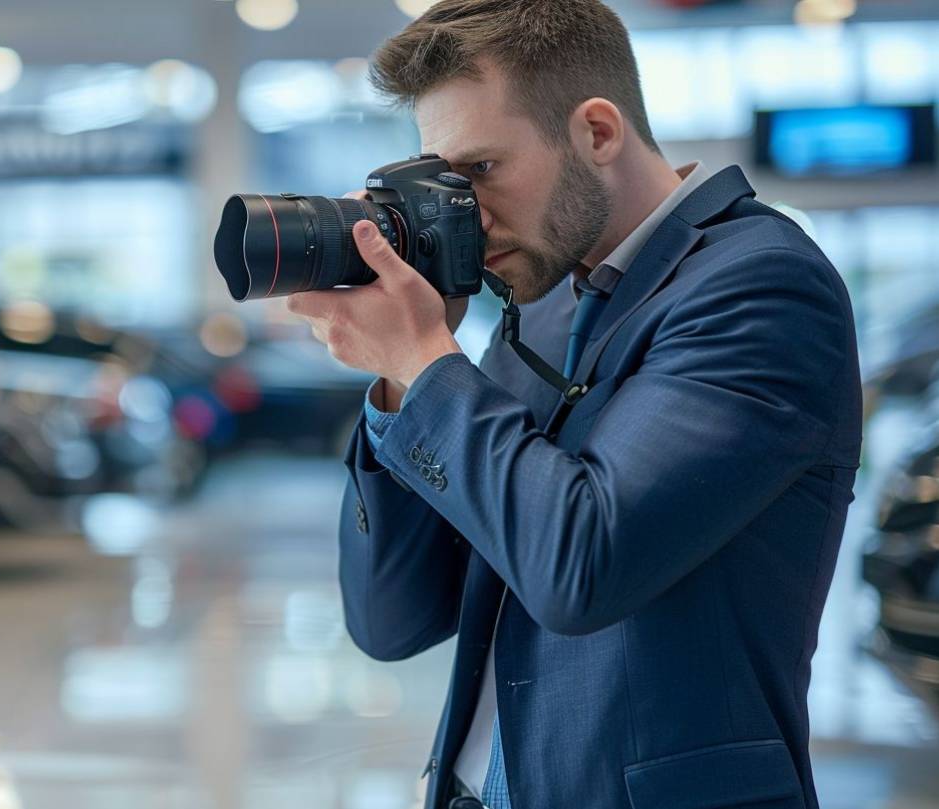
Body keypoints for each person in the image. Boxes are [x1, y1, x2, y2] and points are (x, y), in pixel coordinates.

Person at [285, 2, 862, 808]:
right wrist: (395, 383)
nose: (465, 212)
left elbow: (581, 566)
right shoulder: (546, 307)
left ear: (596, 131)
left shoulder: (760, 285)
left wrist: (422, 360)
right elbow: (392, 618)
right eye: (447, 181)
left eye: (481, 170)